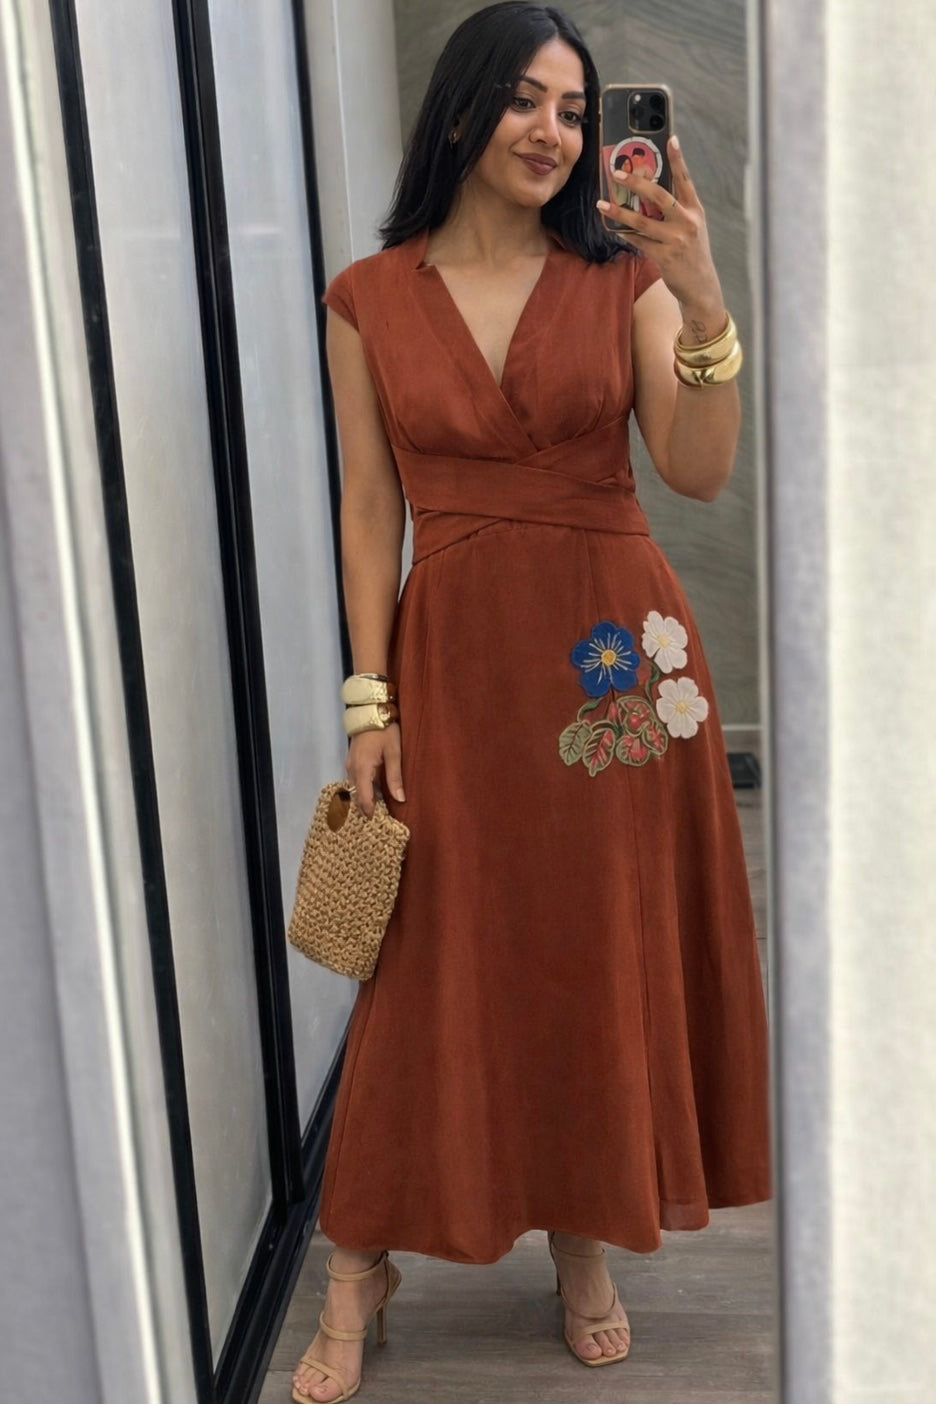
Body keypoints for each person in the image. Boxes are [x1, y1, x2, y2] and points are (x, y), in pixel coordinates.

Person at [292, 4, 770, 1400]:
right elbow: (369, 504)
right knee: (427, 964)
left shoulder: (624, 281)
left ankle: (582, 1240)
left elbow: (693, 473)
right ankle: (359, 1260)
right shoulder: (367, 297)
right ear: (460, 111)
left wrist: (708, 303)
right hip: (455, 667)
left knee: (588, 949)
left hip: (610, 668)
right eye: (525, 101)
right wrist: (368, 702)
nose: (554, 131)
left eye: (573, 109)